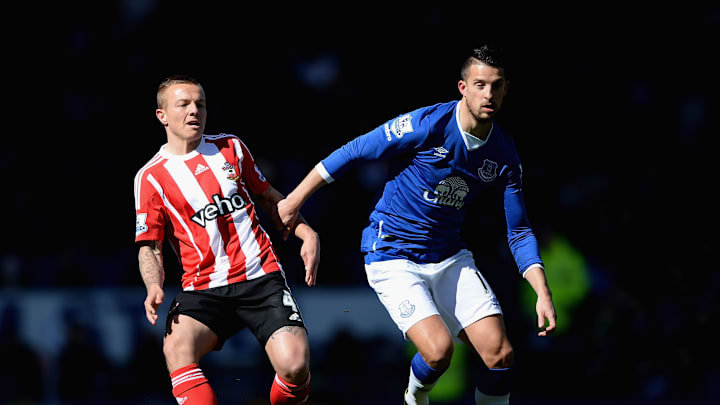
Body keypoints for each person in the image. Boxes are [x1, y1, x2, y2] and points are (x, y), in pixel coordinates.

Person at [277, 45, 557, 404]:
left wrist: (542, 292)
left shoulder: (504, 153)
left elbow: (518, 230)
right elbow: (356, 150)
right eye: (480, 84)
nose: (489, 94)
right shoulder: (429, 124)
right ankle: (414, 397)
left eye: (497, 86)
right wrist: (295, 200)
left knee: (500, 355)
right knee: (439, 352)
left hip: (448, 255)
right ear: (463, 87)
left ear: (505, 90)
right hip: (392, 253)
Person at [134, 75, 320, 405]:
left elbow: (268, 197)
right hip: (203, 288)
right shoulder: (151, 176)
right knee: (176, 347)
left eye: (200, 104)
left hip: (260, 277)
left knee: (294, 366)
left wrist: (305, 231)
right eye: (184, 105)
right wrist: (153, 285)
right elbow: (150, 244)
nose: (195, 111)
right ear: (162, 115)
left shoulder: (230, 148)